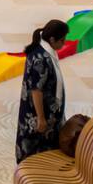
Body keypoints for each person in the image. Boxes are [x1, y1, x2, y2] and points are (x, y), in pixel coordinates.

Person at [15, 19, 70, 163]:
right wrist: (40, 118)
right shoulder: (41, 59)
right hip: (38, 115)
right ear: (52, 39)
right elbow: (36, 91)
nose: (64, 44)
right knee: (35, 150)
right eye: (62, 40)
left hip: (46, 113)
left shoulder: (41, 48)